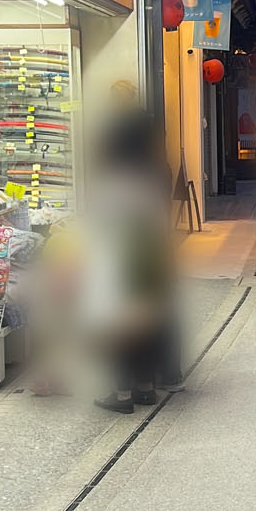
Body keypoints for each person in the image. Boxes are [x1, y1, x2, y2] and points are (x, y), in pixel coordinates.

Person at [84, 97, 182, 414]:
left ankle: (122, 393)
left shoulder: (113, 181)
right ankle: (145, 387)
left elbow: (100, 223)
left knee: (119, 326)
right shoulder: (152, 174)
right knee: (145, 323)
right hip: (151, 259)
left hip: (119, 261)